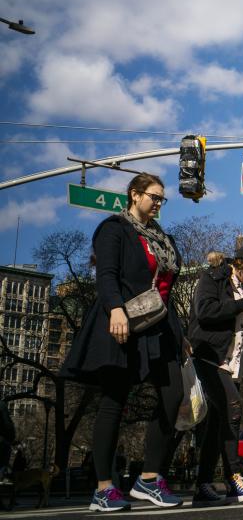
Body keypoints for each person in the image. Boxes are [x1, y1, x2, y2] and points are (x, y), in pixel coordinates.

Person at [60, 173, 185, 512]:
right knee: (114, 400)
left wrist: (181, 335)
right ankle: (103, 489)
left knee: (173, 397)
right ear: (134, 194)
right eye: (153, 197)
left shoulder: (164, 238)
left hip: (161, 326)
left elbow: (168, 288)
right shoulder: (115, 229)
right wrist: (115, 308)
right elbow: (107, 274)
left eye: (162, 199)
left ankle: (148, 478)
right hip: (124, 321)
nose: (158, 203)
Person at [188, 234, 243, 507]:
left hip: (234, 366)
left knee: (217, 425)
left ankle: (203, 486)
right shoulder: (213, 279)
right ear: (242, 261)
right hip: (209, 359)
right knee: (233, 408)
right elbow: (205, 312)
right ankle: (233, 479)